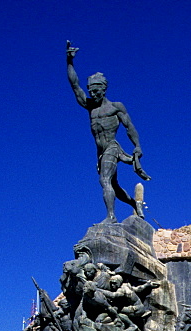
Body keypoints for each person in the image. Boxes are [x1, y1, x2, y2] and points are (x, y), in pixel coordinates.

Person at [67, 41, 150, 223]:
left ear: (103, 89)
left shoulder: (115, 107)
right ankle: (134, 204)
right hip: (100, 152)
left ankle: (110, 217)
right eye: (91, 90)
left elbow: (129, 127)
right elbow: (75, 86)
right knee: (113, 184)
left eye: (96, 90)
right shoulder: (90, 107)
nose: (93, 94)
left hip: (112, 146)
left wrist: (137, 146)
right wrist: (69, 62)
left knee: (104, 181)